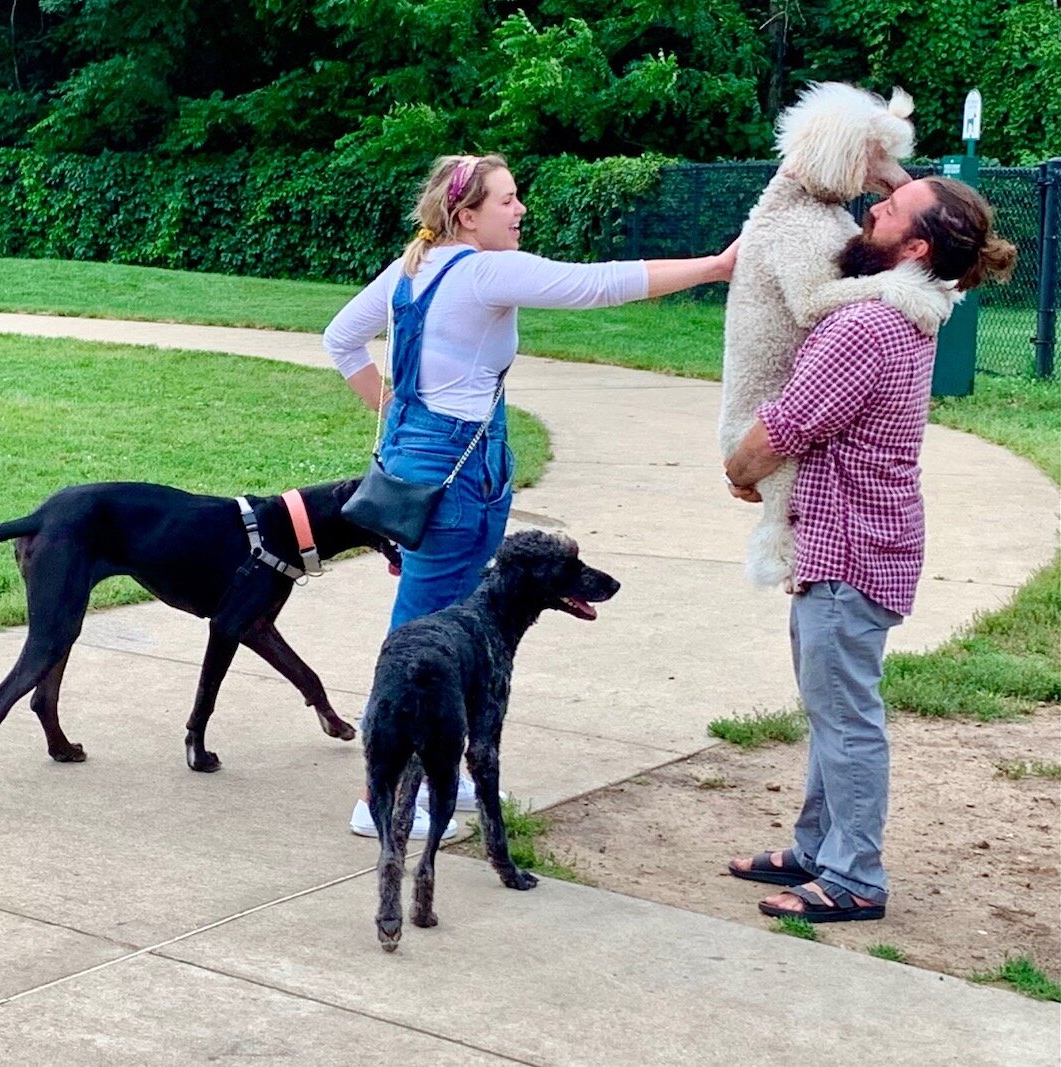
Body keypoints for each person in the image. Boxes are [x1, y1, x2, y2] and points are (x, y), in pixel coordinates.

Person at [324, 153, 737, 838]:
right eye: (507, 201)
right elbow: (595, 285)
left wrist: (402, 416)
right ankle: (381, 800)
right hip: (460, 472)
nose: (520, 212)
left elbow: (342, 340)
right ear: (466, 215)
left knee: (447, 627)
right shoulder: (483, 269)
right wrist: (713, 267)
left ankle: (437, 781)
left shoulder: (414, 266)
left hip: (437, 462)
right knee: (422, 636)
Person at [724, 176, 1017, 921]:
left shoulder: (863, 327)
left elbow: (788, 423)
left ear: (914, 247)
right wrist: (889, 177)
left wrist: (738, 469)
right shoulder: (905, 307)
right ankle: (818, 847)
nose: (870, 209)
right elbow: (909, 222)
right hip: (857, 543)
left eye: (886, 209)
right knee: (831, 708)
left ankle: (854, 876)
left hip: (848, 549)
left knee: (846, 715)